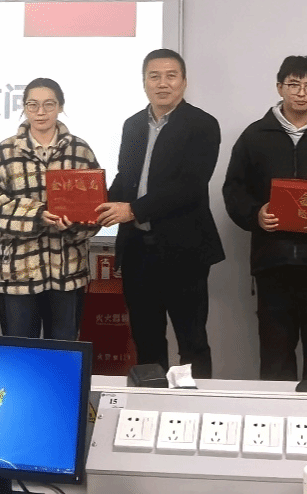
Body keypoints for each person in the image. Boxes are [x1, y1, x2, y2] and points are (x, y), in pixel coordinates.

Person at [222, 55, 307, 382]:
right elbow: (233, 189)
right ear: (279, 87)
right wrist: (255, 215)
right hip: (273, 264)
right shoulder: (256, 134)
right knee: (275, 358)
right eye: (294, 84)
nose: (301, 92)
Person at [97, 49, 224, 378]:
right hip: (138, 251)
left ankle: (194, 404)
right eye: (154, 76)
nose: (162, 83)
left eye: (171, 76)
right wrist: (94, 207)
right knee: (146, 340)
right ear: (144, 82)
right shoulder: (133, 125)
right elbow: (126, 179)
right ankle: (150, 402)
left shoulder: (202, 124)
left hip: (184, 251)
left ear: (184, 82)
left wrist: (133, 209)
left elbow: (190, 185)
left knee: (191, 341)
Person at [0, 77, 101, 340]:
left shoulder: (80, 151)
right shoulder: (4, 152)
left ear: (60, 107)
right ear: (24, 108)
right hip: (17, 271)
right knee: (21, 352)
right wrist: (35, 215)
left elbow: (96, 207)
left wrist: (76, 223)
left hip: (67, 269)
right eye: (33, 105)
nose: (41, 112)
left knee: (63, 351)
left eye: (49, 104)